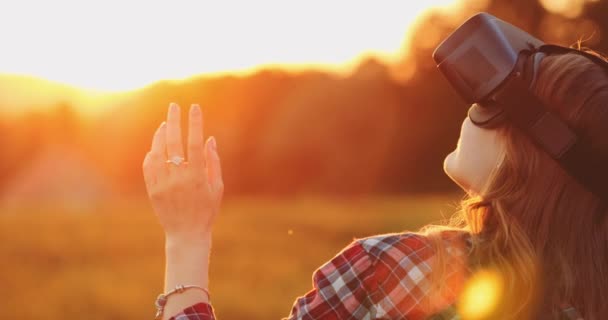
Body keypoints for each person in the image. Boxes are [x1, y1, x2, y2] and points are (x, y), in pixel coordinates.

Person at [142, 15, 608, 320]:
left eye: (492, 101)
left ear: (534, 154)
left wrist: (187, 238)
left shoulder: (399, 272)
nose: (470, 108)